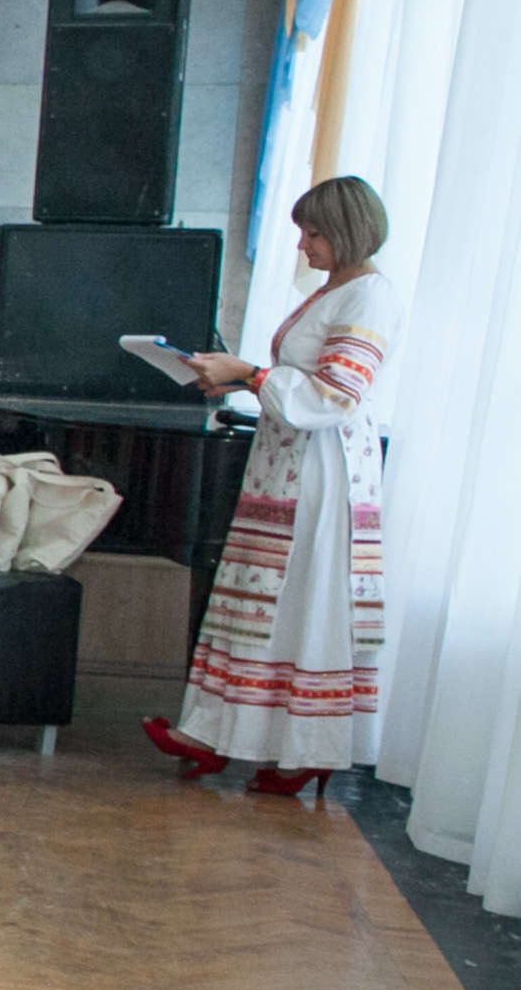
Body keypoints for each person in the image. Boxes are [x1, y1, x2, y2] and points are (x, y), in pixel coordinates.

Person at [146, 176, 399, 799]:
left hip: (321, 469)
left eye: (313, 233)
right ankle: (218, 732)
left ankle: (301, 748)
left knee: (298, 600)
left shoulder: (369, 297)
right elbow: (295, 379)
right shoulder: (333, 291)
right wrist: (235, 380)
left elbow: (335, 395)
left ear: (347, 232)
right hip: (288, 461)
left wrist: (250, 375)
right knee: (262, 600)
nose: (303, 246)